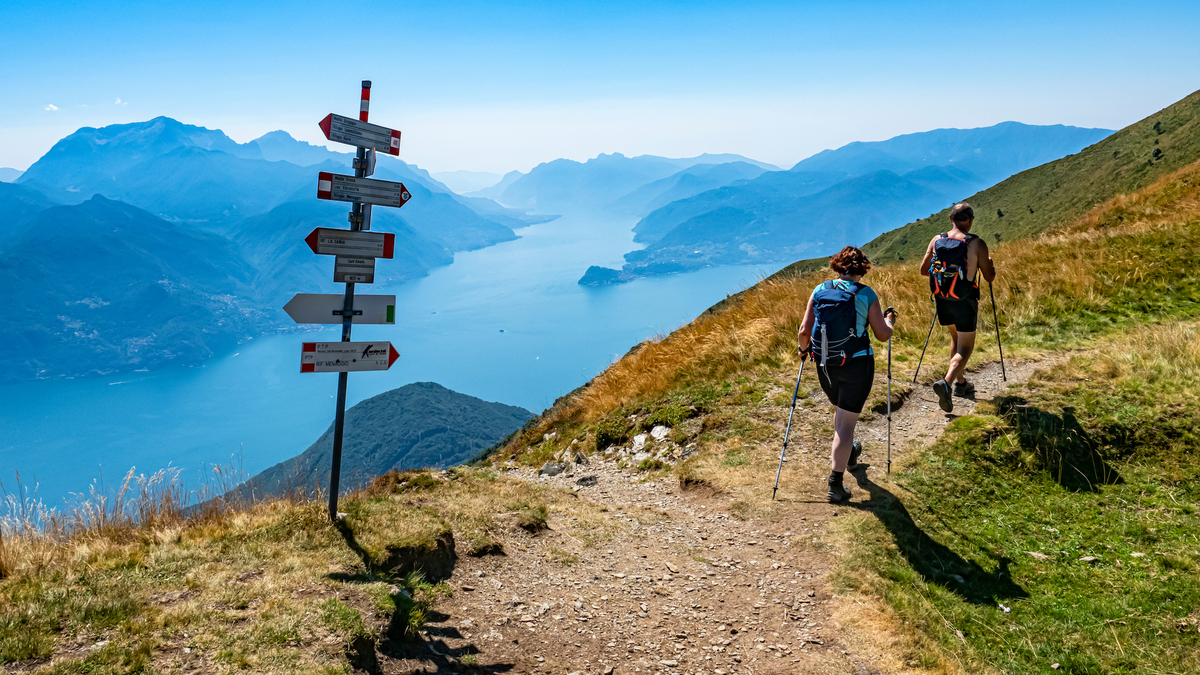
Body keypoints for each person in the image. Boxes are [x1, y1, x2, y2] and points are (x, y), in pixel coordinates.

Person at [797, 246, 897, 503]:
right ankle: (835, 484)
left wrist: (803, 350)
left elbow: (804, 331)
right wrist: (889, 321)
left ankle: (850, 452)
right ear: (862, 269)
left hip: (825, 365)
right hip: (856, 365)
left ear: (837, 266)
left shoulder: (820, 290)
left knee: (841, 413)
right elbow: (882, 335)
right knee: (845, 425)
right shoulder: (866, 294)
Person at [918, 202, 996, 413]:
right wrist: (988, 262)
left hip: (942, 299)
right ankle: (948, 381)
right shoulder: (976, 243)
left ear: (951, 219)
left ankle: (961, 384)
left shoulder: (937, 240)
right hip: (965, 300)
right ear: (970, 221)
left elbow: (924, 270)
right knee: (966, 347)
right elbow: (989, 277)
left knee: (955, 339)